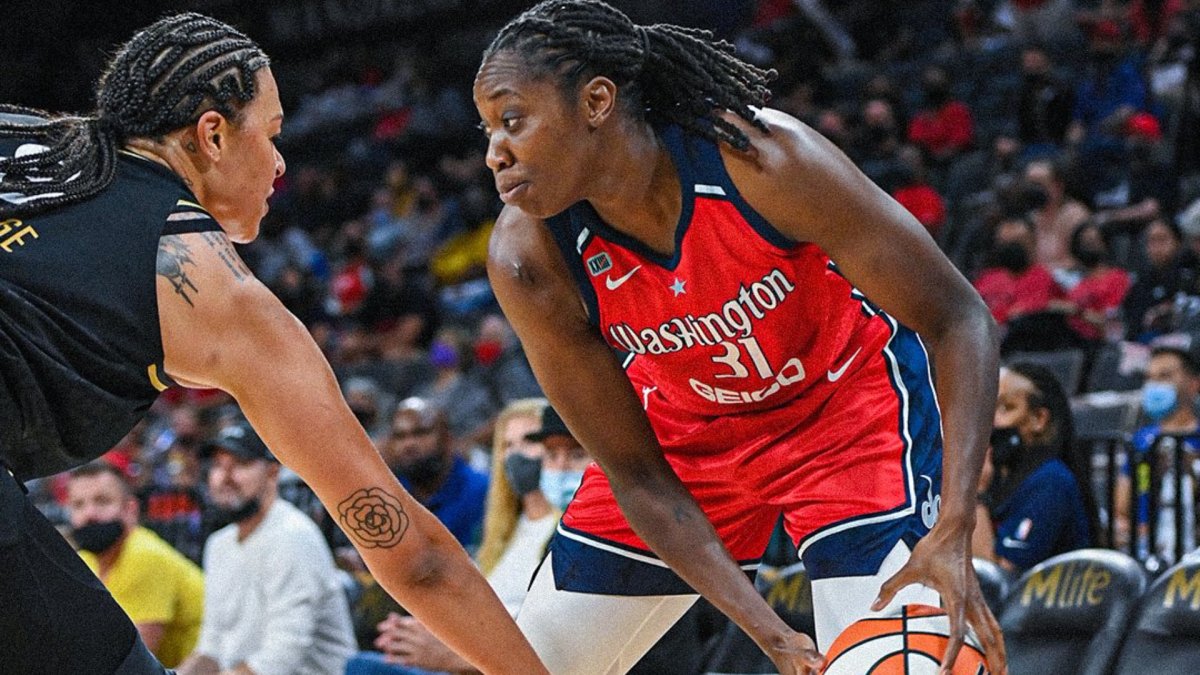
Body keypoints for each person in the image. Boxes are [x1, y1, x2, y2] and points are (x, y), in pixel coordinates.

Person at [0, 12, 545, 675]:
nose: (282, 162)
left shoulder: (28, 140)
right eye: (273, 133)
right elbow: (416, 556)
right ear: (213, 134)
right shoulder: (209, 285)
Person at [473, 2, 1006, 674]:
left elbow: (961, 317)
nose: (495, 151)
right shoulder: (528, 255)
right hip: (685, 439)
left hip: (845, 418)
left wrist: (955, 524)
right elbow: (635, 474)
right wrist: (769, 631)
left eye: (512, 119)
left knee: (899, 665)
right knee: (532, 665)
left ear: (597, 101)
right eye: (488, 128)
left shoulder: (763, 159)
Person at [178, 419, 356, 674]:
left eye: (240, 464)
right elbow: (212, 647)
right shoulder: (219, 544)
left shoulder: (293, 536)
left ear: (273, 472)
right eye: (218, 466)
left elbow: (282, 655)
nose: (224, 478)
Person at [66, 461, 204, 668]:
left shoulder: (144, 555)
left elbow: (132, 663)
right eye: (78, 505)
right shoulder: (86, 561)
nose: (89, 514)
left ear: (130, 510)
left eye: (102, 501)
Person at [972, 363, 1096, 573]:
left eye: (1006, 408)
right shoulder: (997, 475)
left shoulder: (1051, 482)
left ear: (1039, 419)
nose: (991, 421)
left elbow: (996, 580)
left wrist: (976, 495)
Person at [1114, 344, 1200, 564]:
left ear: (1194, 384)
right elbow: (1121, 511)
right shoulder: (1141, 441)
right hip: (1147, 552)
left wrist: (1190, 468)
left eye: (1165, 376)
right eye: (1150, 378)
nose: (1154, 385)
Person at [382, 397, 490, 550]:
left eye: (421, 433)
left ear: (447, 439)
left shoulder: (483, 491)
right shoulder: (389, 495)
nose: (409, 444)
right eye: (400, 436)